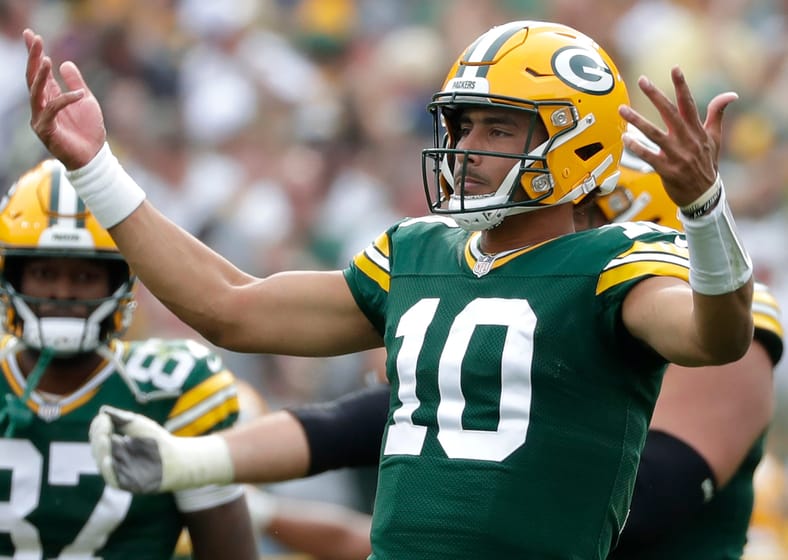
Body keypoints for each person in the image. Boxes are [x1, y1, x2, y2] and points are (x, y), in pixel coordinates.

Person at [25, 19, 755, 559]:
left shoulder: (619, 259)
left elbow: (715, 337)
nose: (465, 150)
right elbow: (230, 308)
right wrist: (96, 167)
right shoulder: (416, 252)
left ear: (575, 142)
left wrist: (703, 209)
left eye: (498, 130)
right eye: (462, 126)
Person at [0, 159, 258, 559]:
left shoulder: (173, 390)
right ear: (13, 275)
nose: (62, 293)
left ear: (120, 280)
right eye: (45, 273)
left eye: (84, 276)